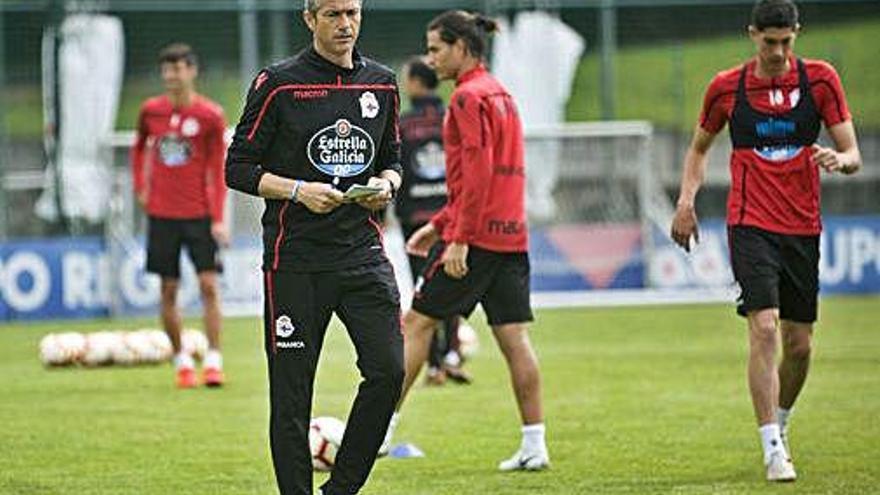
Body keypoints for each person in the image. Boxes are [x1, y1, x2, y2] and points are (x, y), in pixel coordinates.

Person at [670, 0, 862, 482]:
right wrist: (685, 202)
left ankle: (780, 421)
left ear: (796, 34)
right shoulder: (726, 87)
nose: (777, 51)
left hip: (802, 226)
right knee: (764, 326)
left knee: (799, 346)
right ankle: (771, 447)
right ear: (752, 34)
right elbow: (698, 150)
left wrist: (843, 161)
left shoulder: (820, 81)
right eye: (768, 41)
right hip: (750, 222)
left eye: (786, 41)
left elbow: (852, 150)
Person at [224, 0, 404, 493]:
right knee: (291, 396)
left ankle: (340, 489)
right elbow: (237, 167)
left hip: (362, 256)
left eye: (352, 13)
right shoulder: (278, 83)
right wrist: (300, 191)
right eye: (332, 14)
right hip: (294, 261)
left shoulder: (382, 82)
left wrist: (387, 183)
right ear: (310, 19)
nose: (345, 24)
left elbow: (392, 157)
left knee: (389, 372)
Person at [382, 10, 549, 471]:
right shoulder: (501, 95)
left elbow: (476, 174)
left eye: (436, 48)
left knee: (416, 324)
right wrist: (440, 222)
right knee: (514, 338)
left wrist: (457, 237)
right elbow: (486, 178)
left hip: (474, 242)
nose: (430, 58)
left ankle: (381, 430)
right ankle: (535, 445)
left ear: (461, 47)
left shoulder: (466, 98)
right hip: (510, 236)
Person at [131, 43, 229, 389]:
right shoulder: (150, 111)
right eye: (168, 69)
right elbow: (138, 146)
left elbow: (218, 170)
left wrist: (218, 218)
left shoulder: (210, 116)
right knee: (168, 289)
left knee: (208, 285)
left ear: (192, 71)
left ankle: (214, 359)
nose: (173, 76)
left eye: (179, 68)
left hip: (199, 214)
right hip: (162, 214)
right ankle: (182, 359)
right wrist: (139, 186)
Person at [396, 56, 470, 387]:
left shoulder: (403, 125)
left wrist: (381, 215)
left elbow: (394, 170)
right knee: (452, 284)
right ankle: (452, 354)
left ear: (413, 83)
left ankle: (435, 364)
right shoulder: (451, 117)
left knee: (424, 291)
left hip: (415, 217)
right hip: (449, 215)